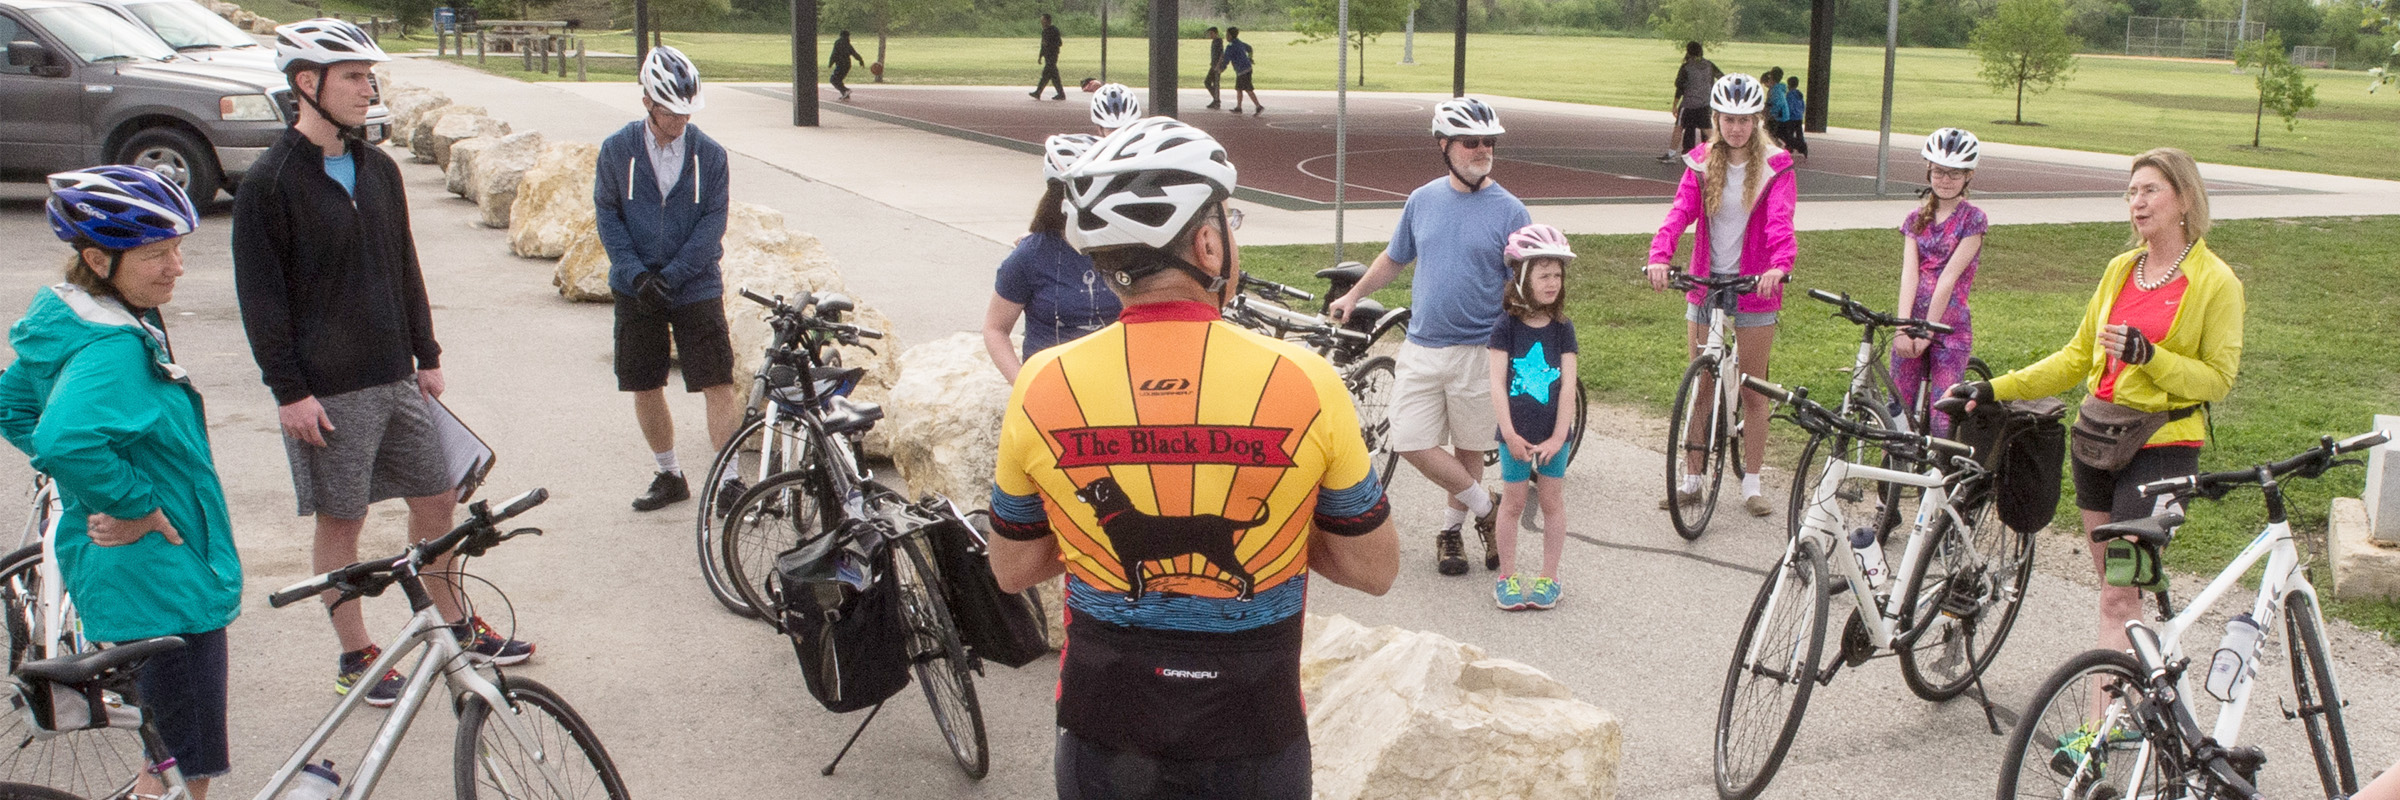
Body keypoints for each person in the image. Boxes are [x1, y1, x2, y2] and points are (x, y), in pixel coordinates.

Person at [986, 116, 1399, 800]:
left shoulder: (1041, 383)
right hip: (1253, 733)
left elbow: (1012, 567)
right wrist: (1290, 532)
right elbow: (1375, 568)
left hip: (1102, 731)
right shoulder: (1304, 380)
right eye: (1228, 220)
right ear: (1208, 244)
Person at [234, 18, 531, 708]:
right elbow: (262, 301)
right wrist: (290, 391)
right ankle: (356, 655)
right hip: (327, 393)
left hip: (396, 377)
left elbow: (403, 265)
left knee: (437, 499)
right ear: (307, 84)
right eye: (354, 77)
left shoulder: (379, 168)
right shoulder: (270, 183)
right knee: (343, 521)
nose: (369, 89)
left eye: (371, 77)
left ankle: (453, 627)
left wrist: (425, 354)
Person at [0, 166, 240, 798]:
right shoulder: (113, 347)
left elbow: (15, 407)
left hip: (138, 575)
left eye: (179, 249)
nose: (177, 267)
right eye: (157, 254)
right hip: (164, 578)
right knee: (185, 766)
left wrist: (93, 488)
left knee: (163, 750)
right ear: (97, 259)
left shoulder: (77, 321)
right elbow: (61, 439)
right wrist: (132, 502)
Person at [1948, 147, 2242, 657]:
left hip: (2161, 447)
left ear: (2185, 199)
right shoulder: (2121, 270)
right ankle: (2120, 708)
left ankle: (2112, 726)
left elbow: (2217, 380)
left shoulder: (2216, 281)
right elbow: (2074, 358)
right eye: (2132, 192)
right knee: (2114, 592)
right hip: (2097, 441)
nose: (2138, 202)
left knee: (2120, 595)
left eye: (2151, 190)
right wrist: (1994, 388)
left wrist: (2150, 355)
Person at [1327, 98, 1528, 576]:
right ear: (1444, 145)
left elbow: (1521, 286)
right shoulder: (1422, 199)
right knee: (1410, 439)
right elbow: (1395, 258)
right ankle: (1488, 508)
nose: (1481, 149)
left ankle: (1451, 534)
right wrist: (1354, 294)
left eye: (1488, 142)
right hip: (1422, 343)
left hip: (1480, 348)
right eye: (1470, 142)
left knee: (1468, 446)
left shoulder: (1512, 211)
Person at [1645, 73, 1797, 518]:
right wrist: (1660, 254)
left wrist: (1778, 265)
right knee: (1702, 384)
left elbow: (1780, 223)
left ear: (1756, 121)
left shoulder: (1776, 164)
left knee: (1754, 391)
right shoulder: (1698, 162)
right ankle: (1692, 479)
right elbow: (1679, 214)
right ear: (1717, 119)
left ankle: (1751, 482)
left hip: (1754, 287)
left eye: (1745, 120)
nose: (1736, 128)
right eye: (1728, 119)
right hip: (1705, 283)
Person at [596, 45, 738, 514]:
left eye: (686, 111)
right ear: (647, 105)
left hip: (695, 284)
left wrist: (673, 276)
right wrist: (635, 274)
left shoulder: (711, 155)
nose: (680, 120)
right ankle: (669, 473)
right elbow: (608, 214)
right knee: (644, 382)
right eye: (670, 111)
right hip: (635, 286)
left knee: (717, 381)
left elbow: (711, 224)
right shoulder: (617, 150)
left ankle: (731, 480)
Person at [1485, 224, 1579, 612]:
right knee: (1513, 502)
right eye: (1544, 274)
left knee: (1553, 502)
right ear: (1523, 278)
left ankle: (1549, 577)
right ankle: (1507, 576)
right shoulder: (1505, 327)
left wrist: (1559, 437)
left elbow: (1569, 388)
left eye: (1557, 274)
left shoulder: (1563, 329)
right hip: (1516, 434)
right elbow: (1496, 384)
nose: (1552, 282)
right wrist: (1508, 433)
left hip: (1553, 434)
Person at [983, 133, 1121, 381]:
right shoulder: (1030, 256)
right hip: (1051, 390)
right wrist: (1023, 384)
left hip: (1116, 387)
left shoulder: (1126, 248)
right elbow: (995, 328)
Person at [1892, 127, 1987, 437]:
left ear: (1968, 176)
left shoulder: (1972, 220)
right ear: (1928, 171)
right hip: (1913, 320)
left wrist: (1928, 333)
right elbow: (1910, 274)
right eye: (1939, 172)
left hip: (1949, 326)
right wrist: (1903, 327)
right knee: (1898, 405)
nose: (1945, 180)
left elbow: (1948, 279)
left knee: (1942, 413)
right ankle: (1892, 472)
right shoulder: (1914, 219)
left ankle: (1938, 479)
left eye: (1954, 174)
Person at [1661, 41, 1722, 162]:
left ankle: (1671, 154)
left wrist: (1675, 104)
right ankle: (1720, 154)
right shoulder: (1709, 65)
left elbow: (1680, 87)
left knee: (1679, 127)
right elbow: (1721, 77)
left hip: (1689, 104)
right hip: (1704, 103)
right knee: (1708, 130)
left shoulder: (1687, 67)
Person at [1225, 27, 1261, 115]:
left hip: (1242, 70)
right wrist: (1250, 58)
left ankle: (1258, 106)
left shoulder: (1231, 46)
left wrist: (1221, 68)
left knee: (1248, 88)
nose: (1226, 37)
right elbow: (1250, 48)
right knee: (1239, 88)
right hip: (1246, 68)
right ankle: (1239, 107)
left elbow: (1226, 58)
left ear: (1230, 35)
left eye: (1227, 35)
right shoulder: (1239, 42)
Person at [1031, 13, 1064, 100]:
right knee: (1053, 76)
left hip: (1052, 55)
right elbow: (1043, 45)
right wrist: (1040, 56)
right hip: (1047, 56)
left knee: (1046, 74)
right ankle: (1061, 94)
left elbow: (1059, 43)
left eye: (1043, 20)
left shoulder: (1054, 30)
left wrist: (1049, 44)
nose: (1042, 22)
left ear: (1048, 20)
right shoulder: (1044, 31)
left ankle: (1038, 92)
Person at [829, 30, 863, 100]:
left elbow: (834, 54)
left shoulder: (838, 42)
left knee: (833, 79)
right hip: (847, 64)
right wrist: (860, 60)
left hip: (840, 64)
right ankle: (845, 95)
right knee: (839, 79)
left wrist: (830, 63)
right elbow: (854, 53)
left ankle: (845, 90)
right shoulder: (848, 44)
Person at [1781, 76, 1810, 158]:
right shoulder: (1799, 94)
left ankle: (1794, 146)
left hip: (1792, 118)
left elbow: (1789, 106)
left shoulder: (1789, 94)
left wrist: (1786, 115)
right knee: (1799, 133)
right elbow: (1802, 105)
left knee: (1789, 134)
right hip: (1799, 117)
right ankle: (1800, 145)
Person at [1762, 67, 1788, 147]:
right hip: (1780, 116)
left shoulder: (1774, 91)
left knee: (1770, 133)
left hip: (1777, 117)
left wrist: (1771, 114)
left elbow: (1776, 104)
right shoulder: (1778, 89)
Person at [1203, 26, 1227, 109]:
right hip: (1213, 65)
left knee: (1216, 83)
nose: (1210, 35)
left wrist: (1218, 65)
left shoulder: (1219, 41)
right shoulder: (1213, 42)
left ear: (1216, 33)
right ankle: (1216, 99)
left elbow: (1221, 54)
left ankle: (1216, 101)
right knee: (1207, 82)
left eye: (1211, 33)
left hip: (1217, 66)